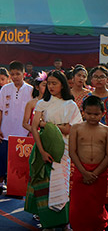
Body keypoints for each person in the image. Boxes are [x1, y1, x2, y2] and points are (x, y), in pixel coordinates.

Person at [25, 70, 82, 230]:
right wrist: (42, 151)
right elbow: (35, 128)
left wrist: (47, 125)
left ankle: (63, 222)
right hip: (44, 147)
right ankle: (48, 223)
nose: (50, 86)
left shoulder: (70, 105)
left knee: (62, 186)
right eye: (48, 83)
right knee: (46, 186)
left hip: (63, 150)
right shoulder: (42, 103)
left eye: (54, 83)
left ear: (62, 85)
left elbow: (72, 129)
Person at [68, 95, 108, 231]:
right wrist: (84, 172)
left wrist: (95, 173)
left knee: (97, 205)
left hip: (100, 173)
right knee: (78, 205)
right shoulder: (76, 128)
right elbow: (72, 152)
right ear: (82, 112)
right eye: (89, 113)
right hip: (81, 171)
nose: (92, 117)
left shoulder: (106, 131)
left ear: (103, 113)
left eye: (96, 114)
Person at [0, 61, 34, 194]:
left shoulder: (31, 90)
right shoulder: (5, 89)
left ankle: (16, 187)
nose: (15, 77)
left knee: (20, 162)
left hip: (23, 132)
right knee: (1, 158)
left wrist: (30, 131)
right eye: (12, 74)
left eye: (18, 74)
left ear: (24, 74)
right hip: (6, 131)